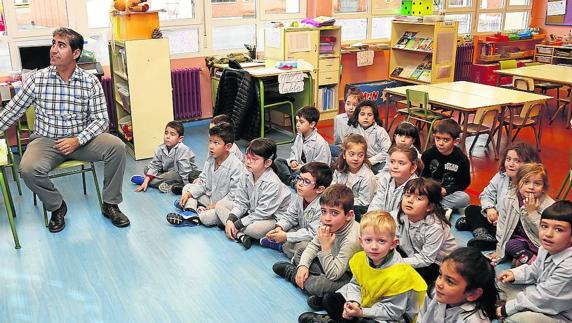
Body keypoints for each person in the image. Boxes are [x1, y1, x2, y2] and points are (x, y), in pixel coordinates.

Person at [0, 27, 129, 232]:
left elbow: (101, 120)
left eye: (61, 45)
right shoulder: (37, 79)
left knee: (117, 147)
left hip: (81, 139)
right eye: (53, 43)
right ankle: (57, 206)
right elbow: (12, 111)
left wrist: (78, 139)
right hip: (46, 140)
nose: (53, 49)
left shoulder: (89, 82)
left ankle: (110, 204)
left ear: (76, 53)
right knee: (27, 169)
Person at [299, 211, 428, 323]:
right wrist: (354, 303)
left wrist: (361, 312)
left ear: (393, 243)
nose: (374, 246)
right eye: (368, 240)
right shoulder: (361, 258)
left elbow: (392, 312)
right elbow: (355, 285)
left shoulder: (401, 274)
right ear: (361, 241)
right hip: (367, 305)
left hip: (393, 317)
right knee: (329, 299)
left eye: (381, 241)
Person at [272, 184, 361, 310]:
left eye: (334, 213)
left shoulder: (351, 240)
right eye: (323, 211)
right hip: (330, 262)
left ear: (349, 215)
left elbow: (334, 275)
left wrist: (325, 247)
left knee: (317, 285)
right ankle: (302, 274)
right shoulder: (330, 223)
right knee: (301, 252)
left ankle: (293, 274)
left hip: (345, 275)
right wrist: (303, 266)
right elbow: (313, 245)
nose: (327, 218)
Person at [455, 142, 541, 251]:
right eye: (508, 159)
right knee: (471, 209)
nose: (510, 164)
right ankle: (482, 234)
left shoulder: (530, 187)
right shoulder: (501, 176)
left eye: (517, 161)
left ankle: (480, 231)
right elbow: (486, 194)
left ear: (529, 164)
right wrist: (490, 209)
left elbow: (523, 219)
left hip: (511, 227)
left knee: (514, 240)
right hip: (495, 218)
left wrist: (501, 221)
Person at [496, 200, 572, 322]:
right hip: (540, 293)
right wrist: (515, 274)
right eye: (544, 226)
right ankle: (513, 303)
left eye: (559, 229)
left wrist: (507, 309)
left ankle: (510, 306)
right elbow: (535, 269)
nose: (548, 234)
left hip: (559, 314)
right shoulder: (545, 249)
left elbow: (545, 298)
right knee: (502, 281)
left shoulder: (569, 267)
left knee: (519, 319)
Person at [165, 122, 244, 227]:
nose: (211, 146)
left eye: (216, 143)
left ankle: (193, 214)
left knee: (207, 217)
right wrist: (189, 194)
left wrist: (216, 205)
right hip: (210, 199)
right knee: (188, 188)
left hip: (224, 205)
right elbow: (203, 182)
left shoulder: (236, 166)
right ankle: (191, 212)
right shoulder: (211, 159)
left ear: (228, 146)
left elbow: (234, 195)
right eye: (210, 141)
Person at [218, 138, 291, 249]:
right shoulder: (246, 172)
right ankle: (240, 235)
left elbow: (262, 214)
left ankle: (234, 229)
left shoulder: (273, 182)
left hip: (271, 218)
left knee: (254, 230)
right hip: (251, 212)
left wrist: (237, 224)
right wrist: (230, 220)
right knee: (220, 205)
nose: (248, 161)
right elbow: (241, 202)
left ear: (267, 163)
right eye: (247, 157)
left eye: (254, 159)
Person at [261, 162, 333, 259]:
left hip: (317, 237)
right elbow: (290, 215)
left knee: (305, 247)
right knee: (287, 230)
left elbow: (313, 234)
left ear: (320, 189)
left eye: (306, 181)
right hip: (303, 229)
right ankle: (285, 246)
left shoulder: (325, 207)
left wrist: (286, 236)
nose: (299, 184)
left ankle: (282, 246)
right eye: (300, 178)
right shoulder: (301, 196)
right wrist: (280, 228)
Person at [393, 178, 457, 285]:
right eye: (407, 195)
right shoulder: (400, 214)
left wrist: (397, 262)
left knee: (409, 280)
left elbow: (426, 259)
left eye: (418, 198)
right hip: (413, 252)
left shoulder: (436, 226)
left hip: (435, 263)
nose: (410, 200)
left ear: (429, 207)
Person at [489, 163, 555, 266]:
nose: (531, 187)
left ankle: (534, 264)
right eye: (526, 182)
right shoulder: (509, 199)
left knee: (548, 255)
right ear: (518, 182)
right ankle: (530, 261)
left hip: (540, 244)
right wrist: (499, 251)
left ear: (543, 187)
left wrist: (532, 213)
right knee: (510, 245)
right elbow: (502, 228)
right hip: (520, 241)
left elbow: (548, 235)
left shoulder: (549, 206)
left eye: (537, 184)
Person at [417, 247, 498, 323]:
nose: (438, 283)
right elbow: (421, 318)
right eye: (440, 274)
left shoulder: (474, 320)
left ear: (473, 294)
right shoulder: (435, 292)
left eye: (449, 281)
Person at [130, 121, 198, 193]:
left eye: (172, 134)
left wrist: (187, 188)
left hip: (182, 175)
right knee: (147, 168)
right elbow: (154, 166)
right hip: (167, 172)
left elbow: (185, 172)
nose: (167, 136)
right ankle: (165, 183)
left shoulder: (183, 150)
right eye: (166, 133)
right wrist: (147, 180)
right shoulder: (160, 148)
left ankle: (145, 181)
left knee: (172, 175)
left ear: (180, 139)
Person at [421, 118, 470, 211]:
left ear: (455, 141)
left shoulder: (462, 159)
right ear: (433, 136)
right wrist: (428, 189)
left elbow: (464, 182)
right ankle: (434, 206)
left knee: (464, 198)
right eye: (437, 138)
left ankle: (432, 206)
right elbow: (423, 176)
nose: (440, 143)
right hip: (428, 191)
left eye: (446, 140)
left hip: (447, 194)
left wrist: (447, 191)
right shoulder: (428, 154)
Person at [275, 106, 331, 185]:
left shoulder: (320, 143)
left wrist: (302, 167)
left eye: (301, 122)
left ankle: (292, 179)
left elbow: (321, 167)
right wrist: (293, 160)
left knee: (305, 174)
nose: (297, 124)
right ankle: (293, 180)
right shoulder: (299, 136)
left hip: (311, 172)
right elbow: (294, 151)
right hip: (298, 168)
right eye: (297, 121)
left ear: (312, 124)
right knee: (278, 161)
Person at [331, 134, 377, 221]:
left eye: (360, 155)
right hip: (340, 204)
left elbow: (364, 203)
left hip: (359, 211)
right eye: (351, 154)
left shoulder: (368, 176)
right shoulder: (340, 169)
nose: (356, 158)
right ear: (344, 155)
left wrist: (341, 201)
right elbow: (333, 187)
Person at [369, 146, 422, 214]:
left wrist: (382, 222)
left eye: (401, 163)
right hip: (381, 220)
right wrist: (371, 218)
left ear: (413, 168)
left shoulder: (416, 187)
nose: (395, 166)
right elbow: (377, 203)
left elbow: (403, 215)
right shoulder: (386, 179)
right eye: (392, 162)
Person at [347, 100, 391, 174]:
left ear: (374, 118)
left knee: (386, 171)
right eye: (362, 114)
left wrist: (370, 161)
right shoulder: (353, 128)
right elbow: (347, 145)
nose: (366, 117)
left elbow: (388, 151)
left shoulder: (380, 131)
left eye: (369, 115)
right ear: (357, 116)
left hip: (375, 162)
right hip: (356, 159)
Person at [331, 87, 362, 159]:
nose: (350, 107)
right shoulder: (338, 118)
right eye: (348, 104)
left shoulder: (361, 121)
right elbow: (337, 141)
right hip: (342, 149)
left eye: (355, 105)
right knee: (325, 148)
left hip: (355, 153)